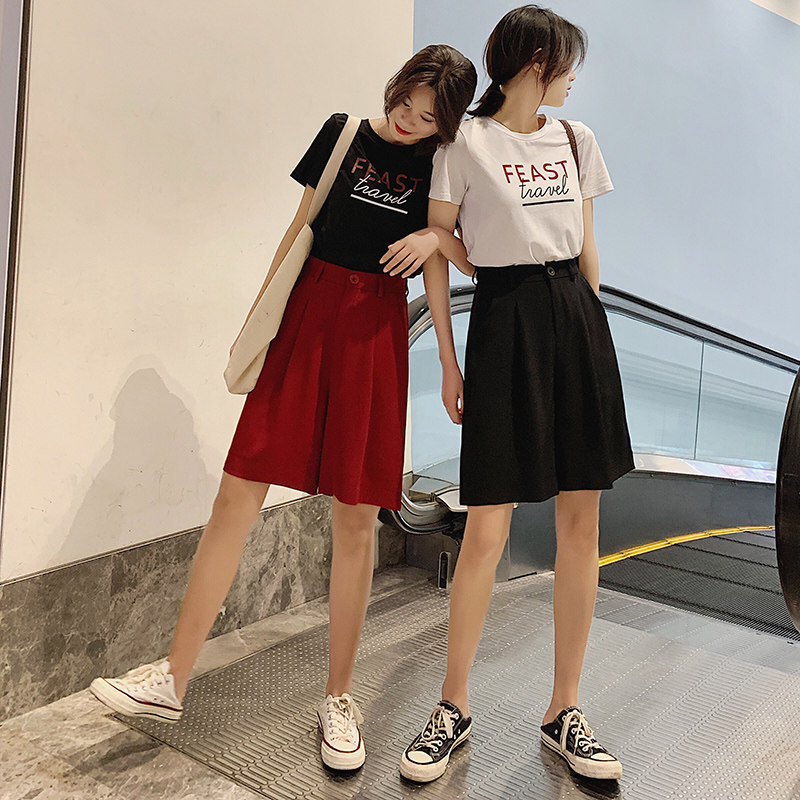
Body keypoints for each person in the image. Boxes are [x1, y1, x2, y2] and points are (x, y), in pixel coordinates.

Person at [89, 44, 477, 773]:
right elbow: (299, 228)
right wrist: (258, 324)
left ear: (445, 124)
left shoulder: (440, 165)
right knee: (238, 492)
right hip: (306, 317)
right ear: (397, 85)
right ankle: (172, 678)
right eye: (407, 101)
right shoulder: (341, 134)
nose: (410, 120)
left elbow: (457, 260)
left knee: (356, 518)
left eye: (429, 117)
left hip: (374, 334)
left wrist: (439, 268)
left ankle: (339, 700)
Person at [383, 6, 634, 783]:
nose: (571, 78)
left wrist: (593, 346)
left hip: (575, 322)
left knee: (581, 524)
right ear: (535, 62)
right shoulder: (465, 143)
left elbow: (586, 250)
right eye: (566, 63)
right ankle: (453, 705)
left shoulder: (575, 139)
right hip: (503, 320)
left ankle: (565, 710)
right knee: (486, 525)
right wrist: (449, 363)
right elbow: (441, 248)